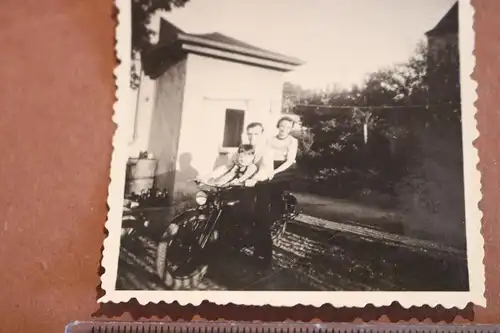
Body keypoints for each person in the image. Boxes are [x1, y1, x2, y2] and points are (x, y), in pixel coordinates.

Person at [267, 116, 299, 212]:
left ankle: (277, 215)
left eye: (288, 127)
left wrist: (274, 171)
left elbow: (289, 161)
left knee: (277, 189)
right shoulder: (270, 139)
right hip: (270, 165)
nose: (284, 129)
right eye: (282, 126)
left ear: (291, 129)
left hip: (285, 168)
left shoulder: (292, 141)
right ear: (278, 126)